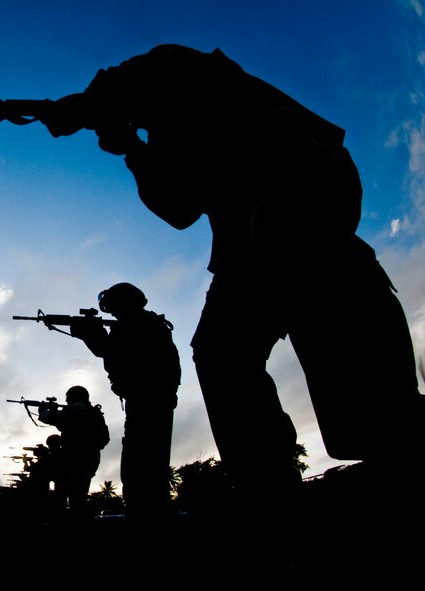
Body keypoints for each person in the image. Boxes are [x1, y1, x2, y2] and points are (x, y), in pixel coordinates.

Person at [36, 44, 424, 506]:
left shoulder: (180, 74)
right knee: (220, 349)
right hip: (244, 236)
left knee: (288, 238)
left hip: (300, 177)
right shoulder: (160, 128)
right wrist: (132, 148)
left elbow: (143, 76)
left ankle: (396, 432)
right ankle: (271, 495)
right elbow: (179, 208)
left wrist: (82, 106)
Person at [69, 284, 181, 525]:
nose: (109, 309)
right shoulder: (147, 324)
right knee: (149, 461)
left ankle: (145, 516)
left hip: (146, 401)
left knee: (139, 463)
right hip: (152, 400)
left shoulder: (135, 326)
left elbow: (110, 353)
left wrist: (89, 334)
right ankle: (150, 512)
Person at [37, 385, 108, 522]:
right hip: (91, 458)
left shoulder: (76, 409)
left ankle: (73, 525)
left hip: (77, 457)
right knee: (80, 495)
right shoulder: (93, 412)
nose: (67, 399)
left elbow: (51, 418)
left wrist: (42, 410)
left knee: (71, 497)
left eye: (68, 396)